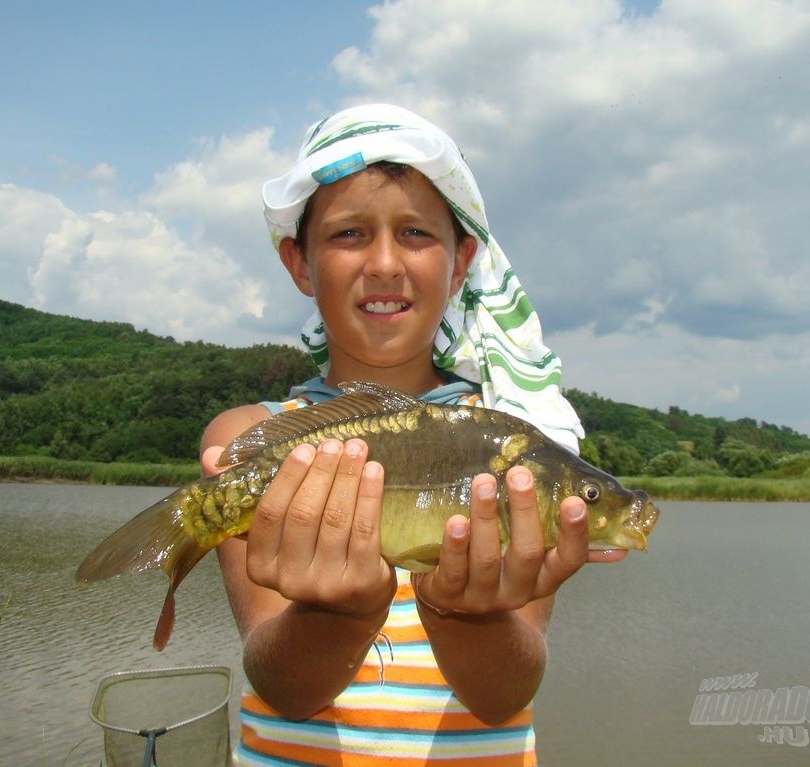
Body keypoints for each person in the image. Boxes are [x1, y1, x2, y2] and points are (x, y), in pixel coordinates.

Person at [199, 103, 626, 766]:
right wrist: (340, 611)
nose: (385, 263)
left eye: (416, 233)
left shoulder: (518, 448)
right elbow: (283, 686)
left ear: (462, 263)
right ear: (299, 262)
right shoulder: (257, 437)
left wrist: (464, 611)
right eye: (348, 234)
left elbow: (502, 693)